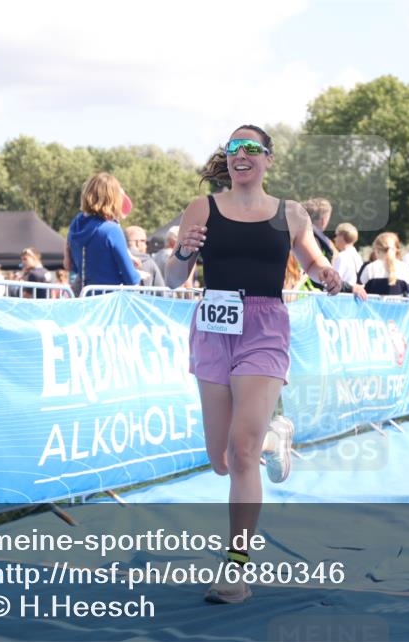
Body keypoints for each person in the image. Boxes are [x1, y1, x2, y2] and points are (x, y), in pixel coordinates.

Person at [164, 125, 341, 605]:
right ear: (227, 159)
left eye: (250, 148)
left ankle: (236, 568)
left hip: (264, 327)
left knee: (242, 453)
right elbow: (175, 277)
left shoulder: (291, 213)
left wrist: (326, 273)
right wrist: (183, 252)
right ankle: (273, 434)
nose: (240, 154)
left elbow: (312, 264)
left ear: (268, 158)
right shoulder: (202, 208)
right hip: (213, 327)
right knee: (221, 460)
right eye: (233, 148)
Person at [64, 173, 141, 295]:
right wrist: (138, 275)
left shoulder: (75, 225)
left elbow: (73, 267)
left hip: (83, 299)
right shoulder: (112, 230)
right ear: (114, 198)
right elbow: (131, 279)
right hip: (109, 301)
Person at [357, 232, 409, 296]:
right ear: (396, 250)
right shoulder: (405, 269)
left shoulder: (369, 268)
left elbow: (359, 291)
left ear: (376, 251)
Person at [331, 223, 367, 300]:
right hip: (355, 297)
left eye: (336, 235)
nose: (334, 239)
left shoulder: (342, 256)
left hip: (342, 298)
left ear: (341, 236)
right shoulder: (358, 256)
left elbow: (334, 282)